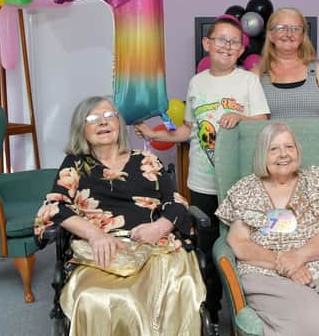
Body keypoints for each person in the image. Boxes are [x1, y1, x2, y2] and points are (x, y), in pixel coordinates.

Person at [135, 16, 270, 325]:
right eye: (220, 40)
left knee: (245, 245)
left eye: (234, 42)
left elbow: (263, 121)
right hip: (202, 182)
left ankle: (249, 311)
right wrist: (155, 134)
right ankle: (211, 309)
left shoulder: (248, 81)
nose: (227, 46)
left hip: (240, 182)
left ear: (240, 50)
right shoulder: (197, 83)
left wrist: (240, 119)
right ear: (207, 44)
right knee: (206, 248)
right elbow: (187, 130)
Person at [33, 96, 206, 335]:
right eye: (93, 118)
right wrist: (95, 235)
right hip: (102, 251)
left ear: (119, 123)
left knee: (174, 287)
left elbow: (175, 201)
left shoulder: (147, 160)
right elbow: (55, 205)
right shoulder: (75, 164)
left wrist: (160, 227)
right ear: (81, 128)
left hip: (156, 245)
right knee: (95, 297)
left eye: (109, 116)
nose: (103, 122)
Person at [215, 122, 319, 335]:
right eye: (274, 149)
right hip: (268, 273)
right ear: (263, 154)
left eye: (289, 147)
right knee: (311, 323)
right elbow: (239, 242)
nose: (283, 154)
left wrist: (299, 256)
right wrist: (284, 262)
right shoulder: (246, 189)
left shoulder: (317, 180)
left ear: (298, 151)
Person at [251, 7, 319, 127]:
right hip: (273, 145)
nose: (289, 34)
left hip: (316, 144)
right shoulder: (256, 74)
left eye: (295, 29)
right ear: (270, 35)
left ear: (303, 35)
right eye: (281, 28)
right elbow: (248, 122)